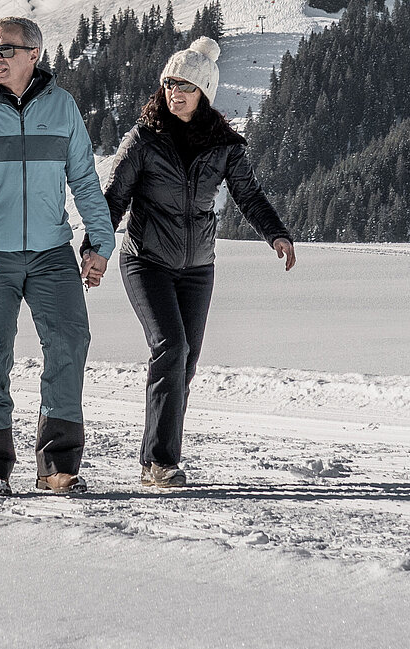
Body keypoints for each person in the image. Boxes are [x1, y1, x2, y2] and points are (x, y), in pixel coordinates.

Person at [0, 16, 115, 497]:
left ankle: (57, 464)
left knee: (70, 345)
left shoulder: (62, 107)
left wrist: (100, 243)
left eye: (7, 49)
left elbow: (85, 181)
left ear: (34, 54)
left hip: (52, 253)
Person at [106, 35, 294, 490]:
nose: (174, 92)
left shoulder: (225, 145)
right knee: (171, 348)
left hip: (197, 267)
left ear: (203, 93)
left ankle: (158, 454)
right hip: (145, 260)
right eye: (170, 83)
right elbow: (113, 198)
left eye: (185, 86)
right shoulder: (144, 139)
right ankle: (160, 462)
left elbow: (248, 194)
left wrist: (276, 233)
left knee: (185, 364)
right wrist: (94, 249)